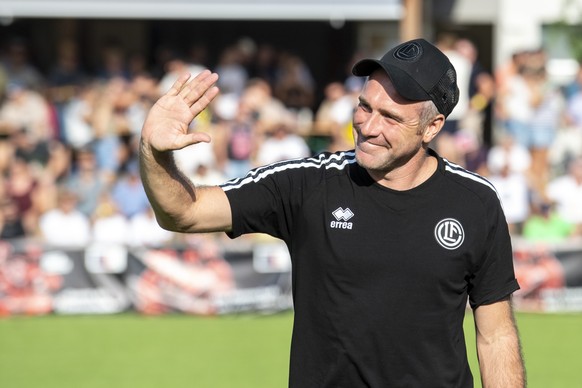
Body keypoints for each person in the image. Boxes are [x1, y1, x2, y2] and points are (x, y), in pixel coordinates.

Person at [139, 38, 525, 387]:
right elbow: (184, 213)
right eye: (364, 107)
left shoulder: (476, 202)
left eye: (390, 117)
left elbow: (496, 335)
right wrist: (155, 151)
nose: (368, 126)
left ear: (432, 127)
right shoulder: (307, 184)